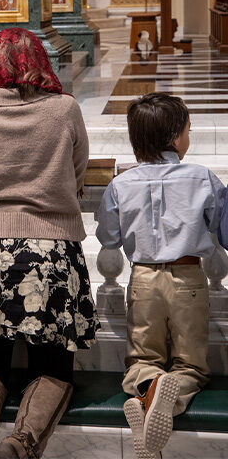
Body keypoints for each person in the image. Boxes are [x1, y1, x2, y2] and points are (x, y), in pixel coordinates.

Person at [0, 27, 99, 459]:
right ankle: (22, 442)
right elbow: (78, 169)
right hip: (51, 252)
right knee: (53, 363)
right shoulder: (65, 109)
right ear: (40, 62)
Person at [96, 92, 224, 459]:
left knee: (141, 360)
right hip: (188, 279)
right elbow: (219, 225)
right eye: (188, 130)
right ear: (174, 138)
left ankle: (149, 388)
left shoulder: (121, 184)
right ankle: (167, 398)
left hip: (143, 281)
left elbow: (108, 237)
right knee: (192, 366)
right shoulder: (202, 178)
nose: (189, 136)